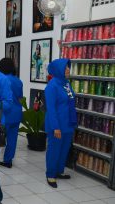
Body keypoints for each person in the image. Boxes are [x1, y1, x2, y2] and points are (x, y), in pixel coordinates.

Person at [45, 58, 77, 188]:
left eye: (68, 67)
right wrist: (55, 127)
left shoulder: (67, 83)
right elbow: (51, 109)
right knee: (54, 150)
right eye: (65, 67)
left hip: (68, 122)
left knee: (64, 149)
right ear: (58, 70)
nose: (68, 69)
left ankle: (59, 171)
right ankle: (51, 174)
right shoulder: (52, 86)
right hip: (57, 124)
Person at [0, 58, 23, 168]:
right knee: (12, 139)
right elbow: (20, 97)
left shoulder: (1, 79)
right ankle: (8, 161)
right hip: (16, 113)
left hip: (4, 113)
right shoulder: (18, 81)